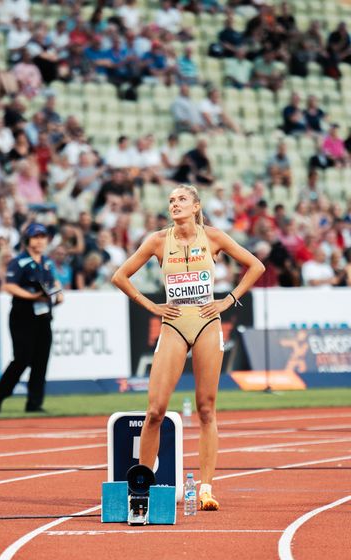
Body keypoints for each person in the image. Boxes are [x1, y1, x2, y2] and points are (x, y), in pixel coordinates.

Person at [111, 184, 264, 510]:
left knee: (206, 409)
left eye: (181, 199)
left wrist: (229, 300)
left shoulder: (213, 236)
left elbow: (256, 266)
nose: (175, 204)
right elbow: (120, 276)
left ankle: (206, 488)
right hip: (173, 325)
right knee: (155, 411)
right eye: (171, 200)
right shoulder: (156, 241)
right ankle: (143, 489)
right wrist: (151, 306)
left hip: (208, 322)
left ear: (196, 206)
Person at [0, 223, 63, 414]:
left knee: (41, 360)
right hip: (23, 315)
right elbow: (9, 286)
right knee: (22, 359)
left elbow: (53, 282)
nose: (40, 240)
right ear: (27, 240)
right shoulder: (19, 261)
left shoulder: (46, 262)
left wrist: (58, 293)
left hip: (43, 316)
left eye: (42, 236)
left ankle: (34, 403)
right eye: (35, 237)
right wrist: (32, 297)